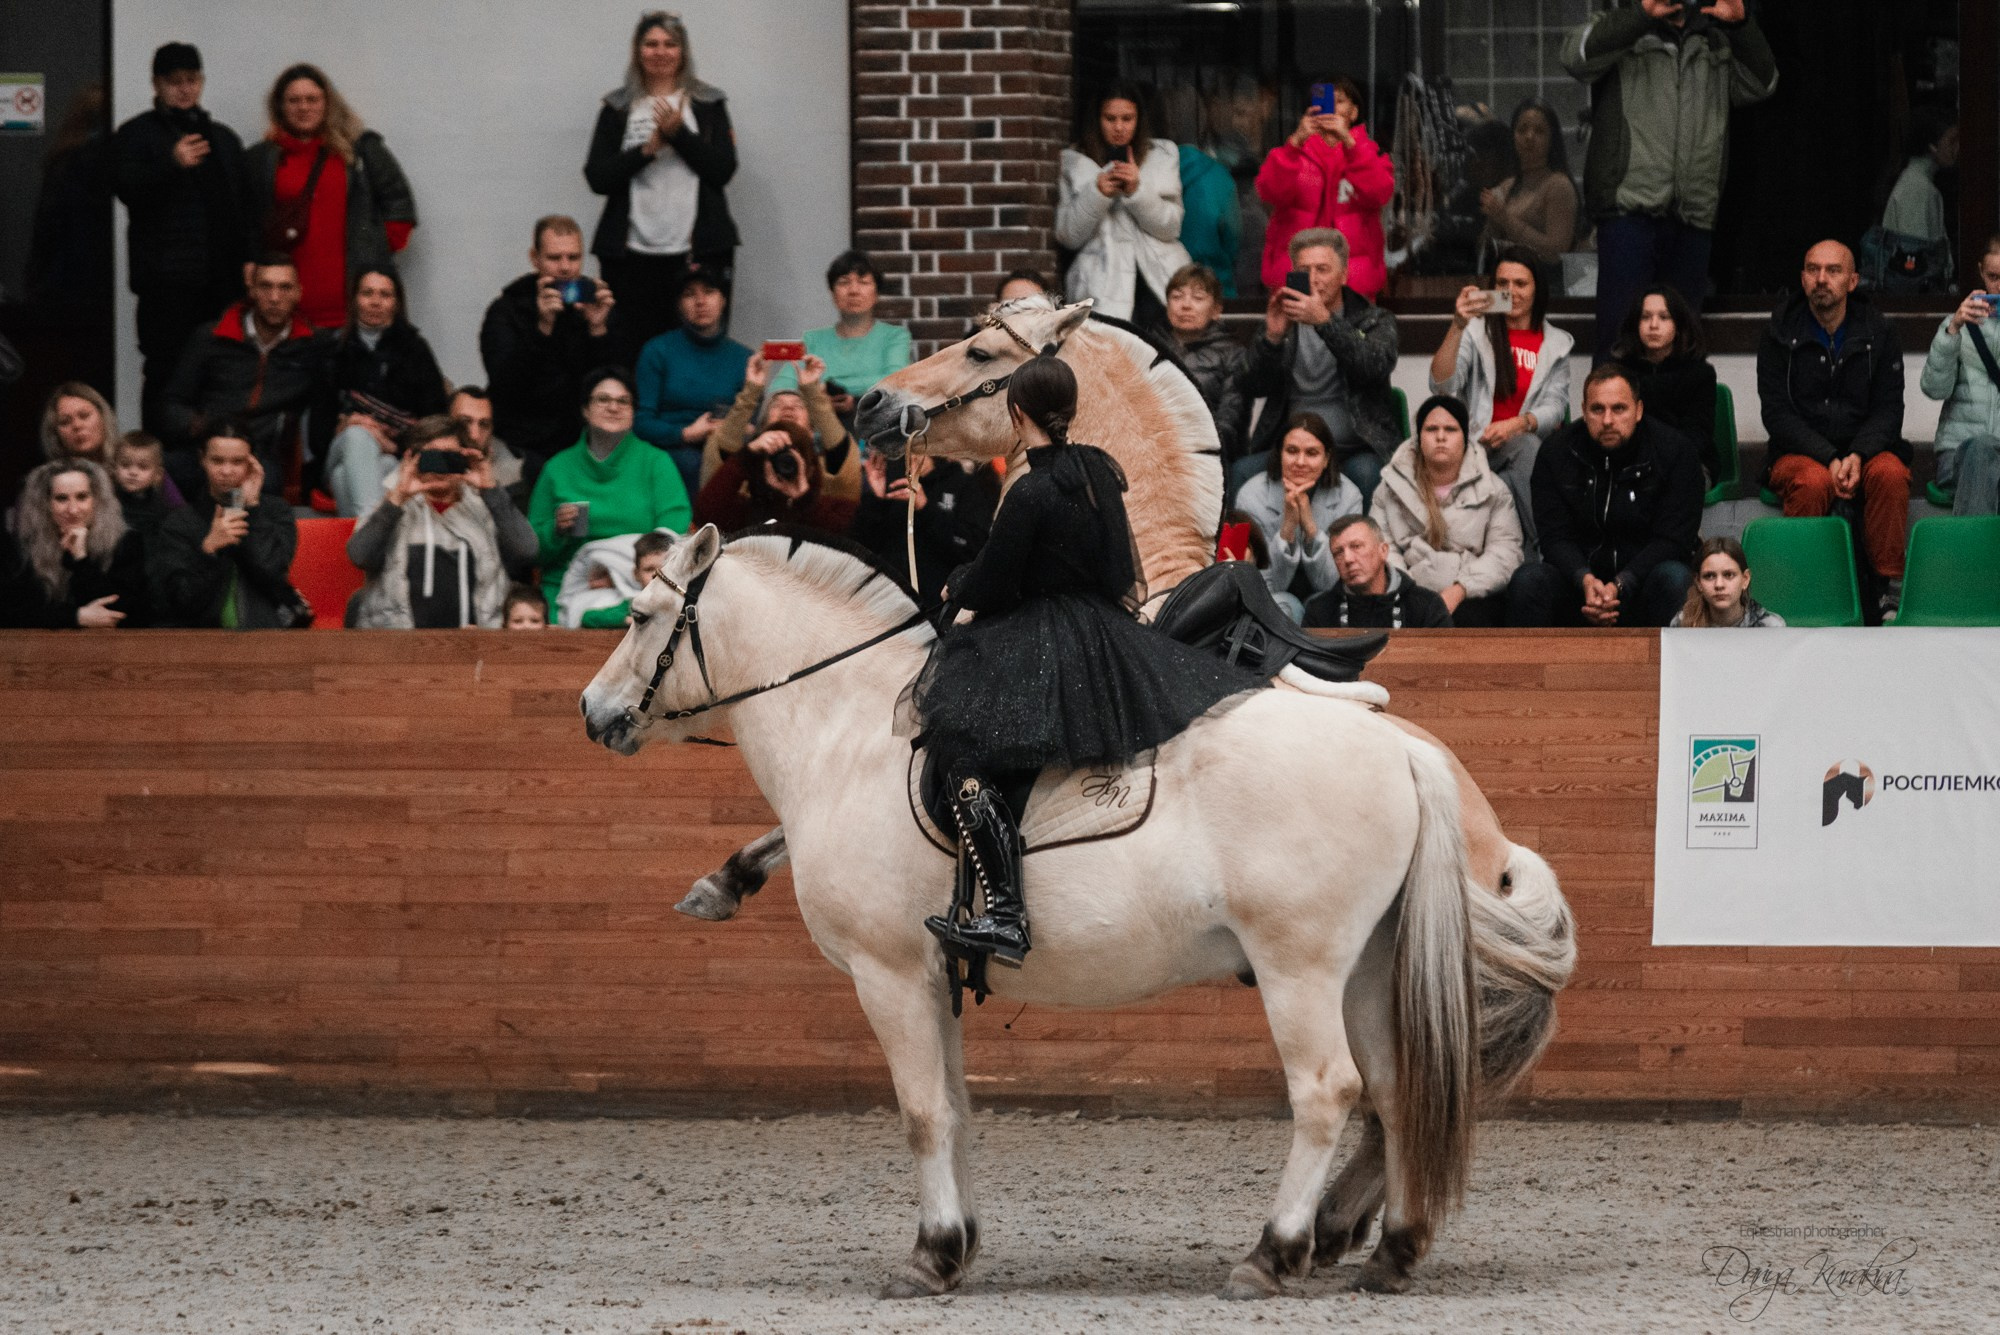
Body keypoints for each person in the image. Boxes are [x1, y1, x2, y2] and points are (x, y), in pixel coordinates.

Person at [912, 355, 1260, 967]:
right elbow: (1118, 572)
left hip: (1043, 633)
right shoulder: (1100, 472)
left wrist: (958, 587)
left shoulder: (1029, 491)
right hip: (1102, 630)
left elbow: (998, 582)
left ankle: (1006, 915)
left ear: (1017, 414)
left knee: (960, 752)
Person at [1562, 1, 1778, 361]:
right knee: (1620, 344)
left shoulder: (1717, 38)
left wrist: (1742, 26)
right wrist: (1642, 15)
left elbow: (1763, 84)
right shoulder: (1624, 26)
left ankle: (1673, 420)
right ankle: (1611, 417)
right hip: (1629, 210)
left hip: (1693, 212)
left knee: (1681, 350)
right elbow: (1574, 56)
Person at [1758, 240, 1911, 620]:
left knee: (1891, 473)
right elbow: (1776, 413)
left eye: (1833, 270)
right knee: (1812, 482)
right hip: (1800, 453)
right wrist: (1829, 458)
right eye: (1812, 269)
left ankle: (1890, 591)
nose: (1821, 279)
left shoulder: (1879, 332)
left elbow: (1889, 410)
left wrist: (1857, 455)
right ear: (1802, 278)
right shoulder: (1778, 331)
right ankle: (1805, 588)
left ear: (1853, 280)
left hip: (1869, 450)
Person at [112, 42, 251, 436]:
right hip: (165, 285)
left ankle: (210, 463)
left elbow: (241, 208)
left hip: (219, 282)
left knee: (217, 372)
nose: (185, 90)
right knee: (163, 372)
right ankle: (153, 465)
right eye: (174, 82)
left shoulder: (222, 138)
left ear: (202, 82)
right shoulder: (136, 135)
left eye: (192, 80)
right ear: (156, 84)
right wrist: (170, 164)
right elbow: (124, 188)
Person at [585, 11, 740, 362]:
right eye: (651, 44)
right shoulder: (618, 107)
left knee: (697, 346)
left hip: (696, 248)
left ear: (683, 52)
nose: (661, 52)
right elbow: (597, 178)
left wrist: (680, 136)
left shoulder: (707, 105)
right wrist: (646, 151)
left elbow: (723, 171)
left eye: (670, 44)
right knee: (632, 348)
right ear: (638, 51)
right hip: (631, 253)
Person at [1507, 364, 1702, 628]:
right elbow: (1554, 537)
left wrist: (1622, 584)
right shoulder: (1556, 453)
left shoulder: (1675, 452)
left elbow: (1673, 540)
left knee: (1676, 578)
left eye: (1619, 409)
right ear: (1584, 412)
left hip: (1644, 585)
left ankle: (1669, 669)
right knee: (1529, 580)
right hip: (1580, 589)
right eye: (1597, 409)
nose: (1608, 420)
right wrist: (1585, 580)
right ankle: (1532, 670)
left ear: (1638, 411)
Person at [245, 63, 416, 332]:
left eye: (312, 99)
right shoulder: (261, 158)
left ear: (328, 103)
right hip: (286, 309)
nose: (303, 108)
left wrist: (376, 250)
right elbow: (247, 220)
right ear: (280, 106)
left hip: (351, 306)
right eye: (294, 100)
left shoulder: (360, 150)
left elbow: (399, 204)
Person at [1242, 228, 1400, 507]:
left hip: (1355, 449)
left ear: (1344, 275)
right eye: (1305, 270)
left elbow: (1373, 366)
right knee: (1241, 472)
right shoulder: (1286, 317)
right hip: (1292, 450)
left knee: (1368, 476)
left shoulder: (1374, 319)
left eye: (1323, 269)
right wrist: (1273, 338)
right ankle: (1252, 552)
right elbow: (1254, 384)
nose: (1314, 279)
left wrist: (1325, 322)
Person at [1429, 249, 1572, 551]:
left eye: (1521, 284)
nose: (1511, 292)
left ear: (1537, 289)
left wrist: (1519, 424)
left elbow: (1556, 406)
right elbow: (1442, 386)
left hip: (1524, 451)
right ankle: (1549, 549)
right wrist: (1457, 325)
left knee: (1520, 458)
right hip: (1477, 447)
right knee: (1526, 451)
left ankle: (1529, 557)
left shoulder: (1557, 343)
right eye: (1502, 284)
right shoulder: (1477, 332)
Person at [526, 369, 692, 621]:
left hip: (642, 584)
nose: (613, 407)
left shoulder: (656, 462)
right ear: (585, 409)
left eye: (623, 401)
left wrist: (620, 573)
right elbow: (532, 549)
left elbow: (672, 536)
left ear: (634, 411)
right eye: (603, 399)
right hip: (568, 587)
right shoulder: (557, 468)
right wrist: (556, 530)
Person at [346, 416, 537, 629]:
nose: (439, 467)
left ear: (465, 460)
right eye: (432, 456)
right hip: (398, 647)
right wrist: (398, 497)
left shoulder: (487, 507)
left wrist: (490, 489)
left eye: (450, 458)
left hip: (475, 646)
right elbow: (359, 556)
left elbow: (527, 551)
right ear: (413, 458)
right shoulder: (390, 505)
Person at [159, 255, 323, 502]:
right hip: (205, 448)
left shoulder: (311, 347)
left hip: (256, 454)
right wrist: (202, 427)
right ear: (252, 290)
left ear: (299, 293)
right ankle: (186, 533)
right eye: (266, 286)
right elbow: (172, 403)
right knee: (161, 471)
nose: (275, 297)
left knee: (264, 484)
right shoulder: (211, 337)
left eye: (285, 288)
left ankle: (230, 530)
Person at [480, 216, 618, 475]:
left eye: (574, 258)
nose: (565, 268)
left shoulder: (594, 306)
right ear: (535, 259)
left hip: (583, 437)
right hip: (521, 439)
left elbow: (615, 383)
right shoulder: (506, 310)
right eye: (555, 258)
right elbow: (506, 384)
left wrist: (598, 331)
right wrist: (542, 329)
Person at [1369, 395, 1524, 627]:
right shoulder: (1389, 487)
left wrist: (1460, 590)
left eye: (1450, 429)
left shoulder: (1493, 489)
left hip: (1471, 597)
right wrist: (1410, 592)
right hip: (1406, 596)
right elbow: (1382, 548)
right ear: (1418, 438)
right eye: (1431, 429)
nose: (1441, 437)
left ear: (1464, 438)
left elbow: (1506, 551)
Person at [315, 265, 450, 517]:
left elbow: (436, 424)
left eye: (385, 295)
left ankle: (367, 543)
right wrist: (345, 426)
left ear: (397, 302)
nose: (375, 302)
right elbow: (317, 437)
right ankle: (371, 527)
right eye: (367, 293)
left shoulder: (416, 351)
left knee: (356, 473)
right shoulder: (332, 350)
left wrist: (390, 445)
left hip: (395, 459)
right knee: (358, 436)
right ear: (354, 299)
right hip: (341, 449)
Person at [1055, 86, 1192, 326]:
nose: (1119, 128)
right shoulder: (1074, 163)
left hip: (1159, 283)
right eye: (1110, 119)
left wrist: (1137, 192)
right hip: (1102, 285)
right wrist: (1096, 194)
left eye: (1127, 119)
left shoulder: (1160, 157)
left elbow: (1171, 228)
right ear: (1097, 121)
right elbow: (1068, 236)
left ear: (1139, 120)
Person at [1255, 77, 1395, 300]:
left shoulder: (1369, 154)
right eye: (1325, 101)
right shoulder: (1293, 152)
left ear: (1354, 113)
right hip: (1296, 270)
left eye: (1339, 101)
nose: (1332, 108)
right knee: (1293, 332)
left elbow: (1380, 193)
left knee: (1352, 334)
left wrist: (1350, 145)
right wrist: (1295, 143)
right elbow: (1268, 192)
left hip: (1353, 275)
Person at [152, 422, 303, 628]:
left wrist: (252, 509)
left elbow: (274, 573)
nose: (226, 470)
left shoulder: (276, 511)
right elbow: (181, 601)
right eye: (217, 461)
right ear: (202, 460)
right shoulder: (180, 522)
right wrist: (208, 551)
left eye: (237, 462)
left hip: (265, 636)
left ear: (253, 463)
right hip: (201, 638)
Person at [1231, 412, 1363, 619]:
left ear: (1327, 459)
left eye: (1311, 453)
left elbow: (1331, 583)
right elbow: (1265, 585)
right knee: (1286, 607)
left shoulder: (1349, 496)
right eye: (1292, 451)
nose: (1300, 462)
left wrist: (1311, 527)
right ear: (1279, 453)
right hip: (1273, 597)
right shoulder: (1250, 495)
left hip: (1327, 597)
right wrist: (1288, 528)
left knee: (1327, 609)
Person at [632, 265, 751, 492]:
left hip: (725, 442)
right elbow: (640, 422)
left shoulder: (744, 357)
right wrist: (685, 434)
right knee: (692, 463)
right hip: (673, 445)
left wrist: (736, 428)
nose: (700, 301)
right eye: (689, 294)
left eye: (709, 292)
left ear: (723, 299)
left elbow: (750, 422)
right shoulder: (657, 351)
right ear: (679, 305)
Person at [0, 460, 149, 629]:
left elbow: (118, 612)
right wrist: (76, 616)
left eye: (82, 497)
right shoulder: (23, 547)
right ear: (45, 504)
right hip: (42, 649)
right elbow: (12, 612)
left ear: (97, 500)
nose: (73, 510)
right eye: (61, 499)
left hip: (113, 649)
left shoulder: (126, 542)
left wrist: (80, 559)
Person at [701, 352, 862, 502]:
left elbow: (844, 461)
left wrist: (812, 392)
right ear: (762, 428)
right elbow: (718, 467)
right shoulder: (745, 467)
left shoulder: (823, 470)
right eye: (777, 405)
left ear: (812, 431)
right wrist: (751, 391)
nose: (788, 408)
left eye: (798, 406)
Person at [850, 449, 999, 604]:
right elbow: (862, 545)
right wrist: (875, 500)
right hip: (890, 600)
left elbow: (973, 547)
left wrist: (925, 508)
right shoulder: (893, 481)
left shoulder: (963, 484)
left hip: (938, 604)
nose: (910, 453)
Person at [1922, 237, 2000, 516]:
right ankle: (1978, 557)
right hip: (1959, 454)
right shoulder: (1958, 326)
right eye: (1993, 277)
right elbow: (1934, 389)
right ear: (1981, 272)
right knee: (1981, 450)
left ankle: (1973, 555)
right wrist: (1953, 329)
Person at [1610, 284, 1719, 483]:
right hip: (1630, 462)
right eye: (1645, 317)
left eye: (1664, 317)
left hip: (1685, 462)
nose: (1653, 325)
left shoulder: (1699, 374)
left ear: (1678, 325)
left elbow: (1697, 435)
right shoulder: (1619, 372)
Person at [694, 419, 856, 536]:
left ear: (810, 469)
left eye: (793, 458)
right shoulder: (743, 511)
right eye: (776, 458)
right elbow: (706, 516)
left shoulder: (837, 509)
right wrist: (747, 455)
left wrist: (804, 498)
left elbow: (845, 540)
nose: (785, 464)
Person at [793, 251, 911, 408]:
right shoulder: (811, 339)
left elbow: (895, 380)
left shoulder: (895, 337)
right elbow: (784, 386)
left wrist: (822, 389)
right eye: (844, 282)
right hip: (818, 429)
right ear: (832, 293)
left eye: (863, 282)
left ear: (877, 294)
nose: (853, 291)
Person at [1162, 264, 1250, 468]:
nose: (1185, 305)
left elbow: (1231, 418)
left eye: (1198, 298)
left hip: (1207, 459)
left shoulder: (1233, 354)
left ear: (1216, 310)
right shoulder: (1148, 346)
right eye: (1177, 297)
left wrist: (1192, 448)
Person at [1479, 98, 1581, 270]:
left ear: (1551, 139)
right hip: (1507, 278)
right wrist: (1492, 223)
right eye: (1522, 130)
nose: (1529, 137)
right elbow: (1485, 250)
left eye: (1539, 131)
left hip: (1546, 284)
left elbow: (1556, 252)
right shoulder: (1506, 186)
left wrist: (1505, 219)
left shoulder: (1558, 185)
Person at [1302, 515, 1454, 630]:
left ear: (1383, 551)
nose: (1347, 559)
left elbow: (1445, 667)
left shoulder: (1426, 606)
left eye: (1356, 546)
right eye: (1338, 553)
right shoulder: (1319, 612)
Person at [1882, 107, 1958, 251]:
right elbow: (1916, 255)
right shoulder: (1916, 187)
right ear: (1932, 145)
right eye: (1952, 140)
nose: (1957, 148)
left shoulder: (1917, 182)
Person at [1670, 536, 1784, 627]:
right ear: (1698, 582)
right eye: (1709, 576)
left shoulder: (1770, 627)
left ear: (1745, 579)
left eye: (1729, 575)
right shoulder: (1682, 624)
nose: (1719, 585)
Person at [579, 529, 676, 629]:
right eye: (649, 569)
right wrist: (632, 620)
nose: (657, 575)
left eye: (665, 568)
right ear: (636, 574)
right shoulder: (633, 606)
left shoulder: (685, 604)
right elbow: (588, 618)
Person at [110, 431, 178, 554]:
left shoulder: (162, 510)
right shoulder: (109, 504)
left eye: (142, 467)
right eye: (125, 465)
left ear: (158, 475)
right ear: (114, 469)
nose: (133, 472)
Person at [448, 385, 524, 495]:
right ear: (446, 422)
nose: (474, 435)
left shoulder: (514, 475)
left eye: (484, 424)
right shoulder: (425, 469)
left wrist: (490, 489)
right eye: (465, 422)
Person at [38, 382, 119, 468]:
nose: (77, 425)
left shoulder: (129, 473)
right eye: (65, 422)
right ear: (55, 433)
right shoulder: (50, 479)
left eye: (84, 416)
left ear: (103, 416)